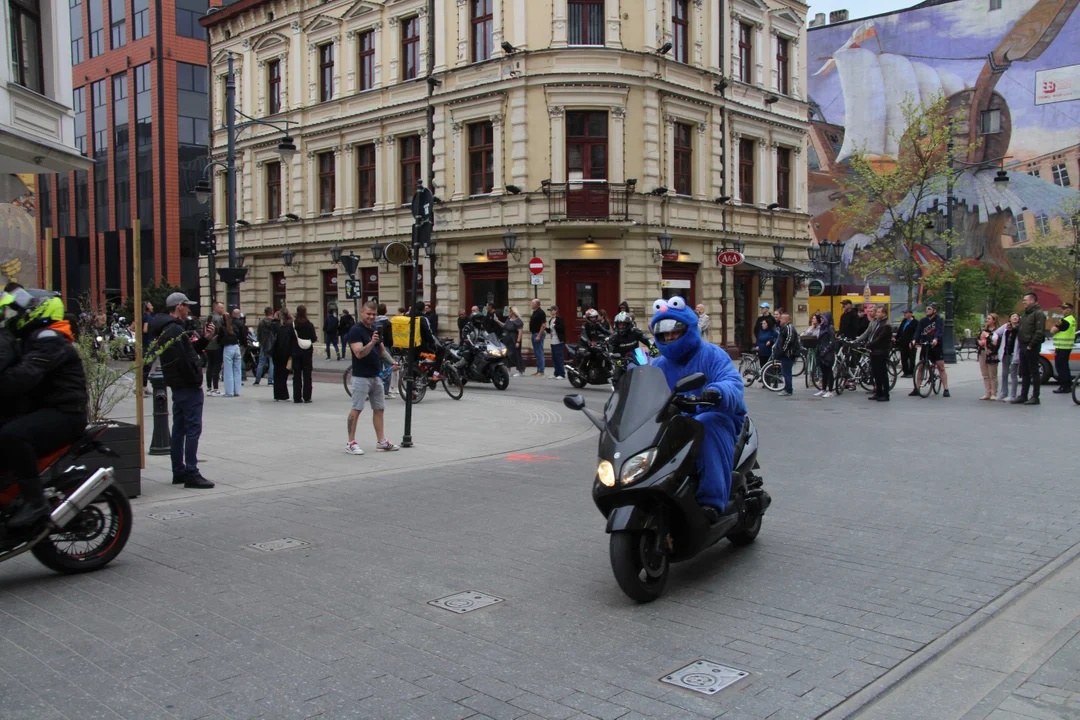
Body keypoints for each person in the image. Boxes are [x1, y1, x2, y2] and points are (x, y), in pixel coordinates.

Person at [649, 296, 746, 520]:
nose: (670, 337)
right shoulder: (658, 364)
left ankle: (712, 501)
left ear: (688, 328)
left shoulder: (712, 354)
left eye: (675, 331)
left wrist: (716, 391)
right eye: (664, 334)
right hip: (677, 421)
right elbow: (646, 388)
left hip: (716, 417)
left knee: (705, 425)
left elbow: (732, 382)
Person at [0, 289, 89, 527]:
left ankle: (35, 502)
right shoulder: (36, 337)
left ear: (37, 310)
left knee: (13, 435)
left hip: (66, 414)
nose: (13, 316)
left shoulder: (50, 340)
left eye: (19, 311)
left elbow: (23, 377)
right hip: (47, 409)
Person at [149, 292, 215, 489]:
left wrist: (205, 339)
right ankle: (191, 472)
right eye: (186, 306)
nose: (188, 309)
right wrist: (196, 379)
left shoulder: (168, 329)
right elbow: (185, 360)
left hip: (178, 386)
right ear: (179, 307)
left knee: (179, 428)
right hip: (187, 386)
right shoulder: (175, 331)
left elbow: (189, 351)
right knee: (192, 429)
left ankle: (179, 470)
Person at [344, 301, 399, 455]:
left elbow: (381, 351)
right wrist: (372, 342)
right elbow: (359, 353)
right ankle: (351, 442)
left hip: (376, 376)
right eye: (368, 314)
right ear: (362, 312)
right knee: (356, 409)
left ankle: (381, 441)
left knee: (379, 409)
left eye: (374, 314)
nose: (371, 317)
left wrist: (392, 362)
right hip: (361, 377)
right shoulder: (355, 330)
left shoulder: (375, 328)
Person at [910, 301, 950, 398]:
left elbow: (939, 331)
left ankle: (946, 389)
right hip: (925, 344)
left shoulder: (939, 320)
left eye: (929, 309)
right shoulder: (923, 321)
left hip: (936, 345)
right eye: (926, 309)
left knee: (941, 367)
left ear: (934, 311)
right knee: (921, 367)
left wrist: (936, 339)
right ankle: (917, 388)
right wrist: (914, 340)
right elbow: (918, 331)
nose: (926, 310)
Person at [1013, 291, 1047, 405]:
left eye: (1025, 300)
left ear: (1032, 300)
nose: (1023, 302)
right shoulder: (1026, 314)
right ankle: (1023, 395)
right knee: (1024, 371)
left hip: (1031, 346)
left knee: (1034, 371)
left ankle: (1035, 396)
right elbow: (1023, 329)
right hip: (1023, 344)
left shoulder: (1039, 313)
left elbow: (1039, 331)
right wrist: (1014, 327)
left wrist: (1031, 345)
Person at [867, 305, 894, 401]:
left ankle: (885, 394)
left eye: (879, 312)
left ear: (884, 313)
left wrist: (869, 344)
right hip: (874, 352)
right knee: (876, 373)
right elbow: (873, 335)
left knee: (882, 373)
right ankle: (878, 392)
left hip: (880, 352)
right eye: (877, 312)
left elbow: (880, 339)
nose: (877, 314)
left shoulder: (886, 325)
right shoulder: (878, 323)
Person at [292, 305, 317, 403]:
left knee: (296, 375)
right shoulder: (309, 324)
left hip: (296, 352)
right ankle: (307, 397)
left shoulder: (294, 324)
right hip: (307, 352)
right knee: (307, 375)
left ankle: (297, 397)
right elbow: (314, 338)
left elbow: (291, 338)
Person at [218, 309, 245, 398]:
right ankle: (237, 390)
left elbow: (219, 340)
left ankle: (229, 392)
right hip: (236, 347)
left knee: (228, 371)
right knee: (237, 370)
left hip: (228, 348)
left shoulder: (222, 328)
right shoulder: (234, 326)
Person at [1050, 302, 1075, 394]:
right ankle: (1068, 385)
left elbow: (1052, 330)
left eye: (1064, 309)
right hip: (1067, 347)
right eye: (1062, 308)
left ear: (1069, 310)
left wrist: (1054, 328)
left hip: (1061, 347)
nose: (1062, 310)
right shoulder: (1072, 319)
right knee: (1065, 367)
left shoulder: (1064, 321)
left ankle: (1064, 387)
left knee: (1060, 367)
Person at [997, 313, 1021, 403]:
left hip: (1014, 353)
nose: (1015, 317)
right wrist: (995, 339)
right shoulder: (1005, 327)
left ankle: (1013, 394)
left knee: (1013, 374)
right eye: (1013, 316)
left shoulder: (1020, 328)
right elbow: (996, 333)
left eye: (1017, 316)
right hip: (1006, 352)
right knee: (1004, 373)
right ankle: (1003, 392)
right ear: (1009, 319)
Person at [494, 307, 525, 376]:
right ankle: (508, 370)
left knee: (516, 354)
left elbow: (520, 332)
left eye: (509, 311)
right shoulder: (508, 319)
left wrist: (518, 341)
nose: (508, 313)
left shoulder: (518, 321)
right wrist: (497, 321)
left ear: (512, 312)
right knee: (507, 355)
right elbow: (504, 326)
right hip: (507, 340)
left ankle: (520, 370)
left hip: (514, 340)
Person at [272, 308, 294, 401]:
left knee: (278, 374)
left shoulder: (279, 327)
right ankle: (283, 394)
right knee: (284, 374)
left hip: (278, 353)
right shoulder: (291, 327)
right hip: (287, 353)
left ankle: (278, 394)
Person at [977, 314, 1001, 401]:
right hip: (983, 352)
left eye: (989, 319)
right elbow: (977, 338)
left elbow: (995, 343)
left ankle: (994, 393)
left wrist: (987, 336)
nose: (987, 320)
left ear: (994, 320)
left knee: (992, 374)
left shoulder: (997, 331)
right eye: (987, 318)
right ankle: (987, 392)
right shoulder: (983, 329)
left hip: (992, 354)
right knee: (985, 374)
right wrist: (979, 342)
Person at [814, 311, 837, 399]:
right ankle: (823, 389)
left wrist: (826, 349)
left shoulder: (830, 327)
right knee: (824, 372)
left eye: (823, 318)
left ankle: (830, 390)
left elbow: (832, 341)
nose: (821, 319)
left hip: (827, 352)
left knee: (829, 371)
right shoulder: (822, 327)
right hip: (821, 351)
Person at [204, 301, 225, 397]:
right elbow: (220, 332)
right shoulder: (218, 319)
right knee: (216, 366)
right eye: (221, 308)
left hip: (208, 345)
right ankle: (215, 388)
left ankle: (208, 387)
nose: (222, 309)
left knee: (210, 366)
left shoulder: (207, 318)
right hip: (216, 345)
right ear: (216, 308)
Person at [776, 313, 799, 396]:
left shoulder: (789, 327)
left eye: (782, 318)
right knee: (785, 371)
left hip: (788, 354)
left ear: (787, 320)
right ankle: (787, 388)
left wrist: (783, 350)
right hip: (785, 353)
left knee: (787, 372)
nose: (780, 320)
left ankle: (788, 389)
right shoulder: (784, 328)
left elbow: (789, 340)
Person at [375, 304, 394, 397]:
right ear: (386, 311)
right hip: (385, 347)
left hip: (375, 347)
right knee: (389, 368)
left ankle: (377, 389)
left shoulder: (374, 322)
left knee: (378, 369)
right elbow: (390, 338)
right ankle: (385, 391)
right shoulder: (387, 323)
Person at [253, 306, 276, 386]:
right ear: (272, 313)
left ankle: (257, 380)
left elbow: (258, 334)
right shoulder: (274, 322)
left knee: (261, 362)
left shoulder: (261, 322)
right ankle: (270, 381)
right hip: (272, 344)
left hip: (264, 344)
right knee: (272, 363)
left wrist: (260, 342)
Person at [138, 300, 154, 395]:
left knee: (144, 365)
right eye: (151, 305)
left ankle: (143, 386)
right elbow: (145, 329)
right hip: (148, 343)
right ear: (147, 308)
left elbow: (132, 327)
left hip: (143, 343)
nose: (152, 307)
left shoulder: (141, 316)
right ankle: (143, 387)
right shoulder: (148, 317)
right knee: (147, 365)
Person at [896, 308, 918, 377]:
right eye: (904, 313)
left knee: (911, 357)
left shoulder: (915, 322)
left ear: (910, 314)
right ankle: (905, 372)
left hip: (911, 343)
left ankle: (911, 372)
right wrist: (896, 338)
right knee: (904, 357)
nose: (905, 314)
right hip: (903, 342)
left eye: (906, 313)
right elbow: (900, 330)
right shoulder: (904, 321)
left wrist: (914, 341)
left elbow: (916, 333)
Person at [548, 306, 566, 379]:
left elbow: (562, 328)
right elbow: (550, 331)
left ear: (555, 311)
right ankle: (556, 373)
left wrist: (555, 326)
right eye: (550, 310)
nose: (551, 312)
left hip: (558, 341)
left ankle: (561, 373)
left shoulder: (559, 319)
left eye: (552, 310)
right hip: (553, 341)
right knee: (554, 358)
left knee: (559, 358)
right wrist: (545, 328)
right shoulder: (551, 320)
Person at [529, 299, 546, 377]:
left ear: (537, 304)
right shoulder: (535, 312)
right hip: (534, 334)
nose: (531, 304)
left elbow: (543, 325)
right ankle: (538, 370)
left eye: (532, 303)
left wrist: (539, 335)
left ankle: (541, 371)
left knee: (539, 353)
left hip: (538, 334)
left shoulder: (541, 312)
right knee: (536, 353)